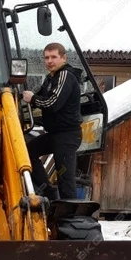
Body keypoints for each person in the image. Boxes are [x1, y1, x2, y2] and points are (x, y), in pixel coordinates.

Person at [22, 42, 82, 200]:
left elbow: (52, 103)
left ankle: (69, 214)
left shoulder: (65, 75)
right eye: (46, 57)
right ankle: (48, 192)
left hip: (68, 135)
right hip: (55, 134)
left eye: (54, 57)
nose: (49, 61)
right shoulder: (50, 78)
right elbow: (39, 97)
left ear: (63, 58)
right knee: (27, 151)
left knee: (65, 177)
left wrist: (32, 98)